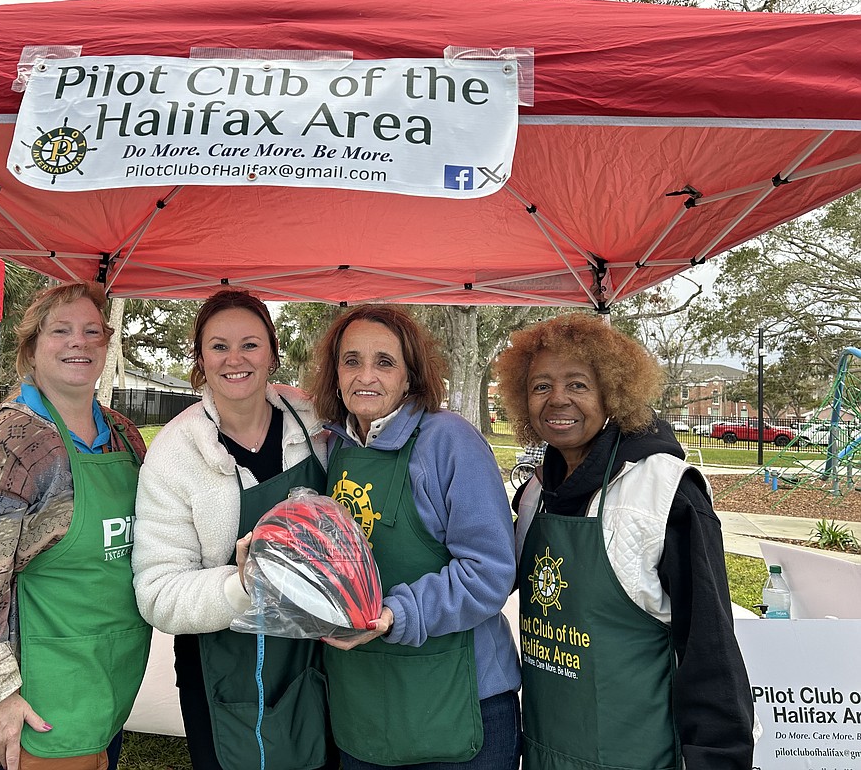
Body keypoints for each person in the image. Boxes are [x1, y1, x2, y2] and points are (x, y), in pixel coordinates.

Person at [493, 312, 754, 770]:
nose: (557, 400)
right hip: (543, 749)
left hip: (634, 756)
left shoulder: (666, 491)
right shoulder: (535, 493)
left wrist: (719, 758)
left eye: (577, 384)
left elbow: (710, 647)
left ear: (612, 392)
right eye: (540, 386)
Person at [0, 281, 150, 770]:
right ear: (31, 347)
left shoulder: (124, 435)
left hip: (102, 676)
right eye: (60, 330)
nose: (79, 342)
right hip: (24, 692)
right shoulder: (13, 437)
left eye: (93, 331)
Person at [308, 304, 521, 770]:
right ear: (335, 373)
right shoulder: (334, 446)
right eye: (351, 360)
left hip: (458, 704)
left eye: (385, 362)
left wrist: (393, 613)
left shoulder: (448, 442)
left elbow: (490, 573)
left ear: (410, 377)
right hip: (362, 708)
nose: (366, 376)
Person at [133, 289, 334, 770]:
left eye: (250, 344)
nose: (235, 359)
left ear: (273, 351)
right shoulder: (175, 453)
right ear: (200, 358)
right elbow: (157, 592)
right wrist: (241, 584)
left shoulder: (318, 421)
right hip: (222, 663)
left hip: (319, 654)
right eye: (219, 346)